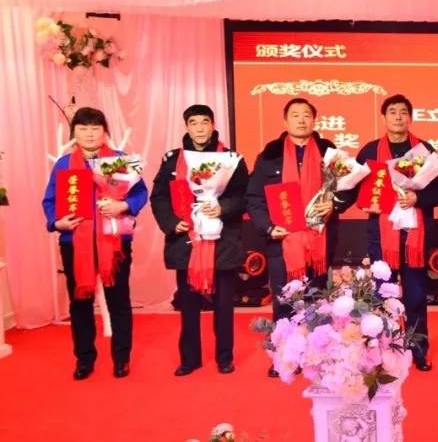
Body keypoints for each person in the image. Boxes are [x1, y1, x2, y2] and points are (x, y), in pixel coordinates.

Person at [246, 98, 355, 378]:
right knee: (284, 301)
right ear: (285, 121)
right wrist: (268, 227)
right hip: (282, 243)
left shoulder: (329, 152)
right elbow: (254, 197)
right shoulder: (269, 155)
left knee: (318, 301)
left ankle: (317, 356)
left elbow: (350, 187)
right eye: (295, 115)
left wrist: (335, 204)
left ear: (314, 120)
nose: (301, 120)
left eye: (306, 115)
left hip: (320, 240)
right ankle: (283, 357)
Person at [42, 107, 148, 380]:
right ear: (74, 133)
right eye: (83, 128)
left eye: (95, 128)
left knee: (118, 300)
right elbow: (50, 200)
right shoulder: (63, 164)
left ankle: (121, 359)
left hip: (114, 240)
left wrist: (123, 205)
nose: (89, 134)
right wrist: (57, 222)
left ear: (105, 132)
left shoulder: (120, 160)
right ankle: (84, 359)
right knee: (80, 303)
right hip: (74, 242)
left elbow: (140, 192)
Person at [150, 105, 250, 376]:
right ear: (187, 127)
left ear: (212, 125)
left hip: (222, 240)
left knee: (224, 305)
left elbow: (245, 196)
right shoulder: (173, 160)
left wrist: (223, 208)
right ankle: (190, 358)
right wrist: (172, 223)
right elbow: (159, 196)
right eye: (193, 123)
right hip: (187, 241)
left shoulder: (231, 159)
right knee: (189, 305)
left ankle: (224, 357)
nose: (200, 128)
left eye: (204, 122)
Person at [356, 94, 438, 372]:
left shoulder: (424, 150)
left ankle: (418, 349)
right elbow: (357, 189)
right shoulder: (370, 151)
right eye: (392, 111)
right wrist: (367, 203)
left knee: (416, 296)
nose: (398, 116)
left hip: (414, 236)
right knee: (382, 294)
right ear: (384, 117)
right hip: (381, 235)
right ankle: (383, 350)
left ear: (410, 117)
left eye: (403, 112)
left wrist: (418, 198)